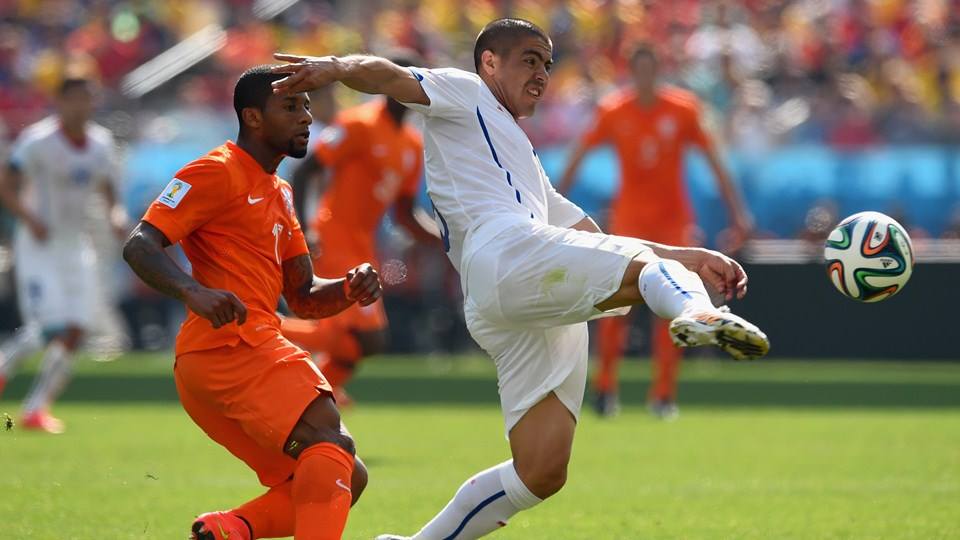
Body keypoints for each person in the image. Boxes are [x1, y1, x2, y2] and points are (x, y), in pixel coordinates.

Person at [270, 17, 769, 540]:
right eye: (529, 59)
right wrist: (335, 66)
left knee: (540, 472)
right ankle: (697, 313)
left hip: (506, 290)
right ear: (489, 62)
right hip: (506, 252)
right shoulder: (465, 91)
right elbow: (388, 75)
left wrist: (687, 256)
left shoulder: (521, 158)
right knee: (646, 272)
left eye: (548, 64)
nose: (542, 73)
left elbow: (590, 234)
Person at [122, 65, 381, 540]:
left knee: (344, 474)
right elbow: (139, 243)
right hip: (230, 348)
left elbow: (302, 298)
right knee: (330, 438)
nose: (305, 117)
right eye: (290, 107)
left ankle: (229, 530)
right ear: (253, 117)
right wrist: (191, 290)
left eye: (305, 106)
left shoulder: (279, 191)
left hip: (228, 356)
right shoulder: (215, 170)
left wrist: (348, 288)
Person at [557, 44, 754, 419]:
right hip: (629, 222)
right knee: (616, 307)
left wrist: (737, 213)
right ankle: (605, 389)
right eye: (639, 71)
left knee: (673, 307)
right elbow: (577, 157)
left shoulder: (683, 109)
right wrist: (553, 203)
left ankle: (663, 395)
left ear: (658, 70)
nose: (646, 78)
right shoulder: (613, 110)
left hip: (673, 222)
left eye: (651, 70)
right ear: (632, 72)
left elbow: (715, 162)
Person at [281, 54, 438, 403]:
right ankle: (261, 329)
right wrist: (305, 228)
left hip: (364, 247)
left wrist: (447, 242)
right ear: (386, 83)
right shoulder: (358, 123)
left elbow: (406, 214)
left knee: (361, 344)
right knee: (363, 338)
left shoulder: (412, 145)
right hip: (332, 238)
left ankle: (310, 394)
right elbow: (306, 171)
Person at [0, 75, 128, 433]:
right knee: (47, 326)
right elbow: (6, 186)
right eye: (74, 99)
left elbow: (108, 190)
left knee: (77, 327)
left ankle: (36, 408)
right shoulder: (37, 141)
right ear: (59, 102)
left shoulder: (100, 144)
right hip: (38, 244)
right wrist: (29, 219)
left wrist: (116, 217)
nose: (81, 106)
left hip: (76, 244)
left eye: (88, 99)